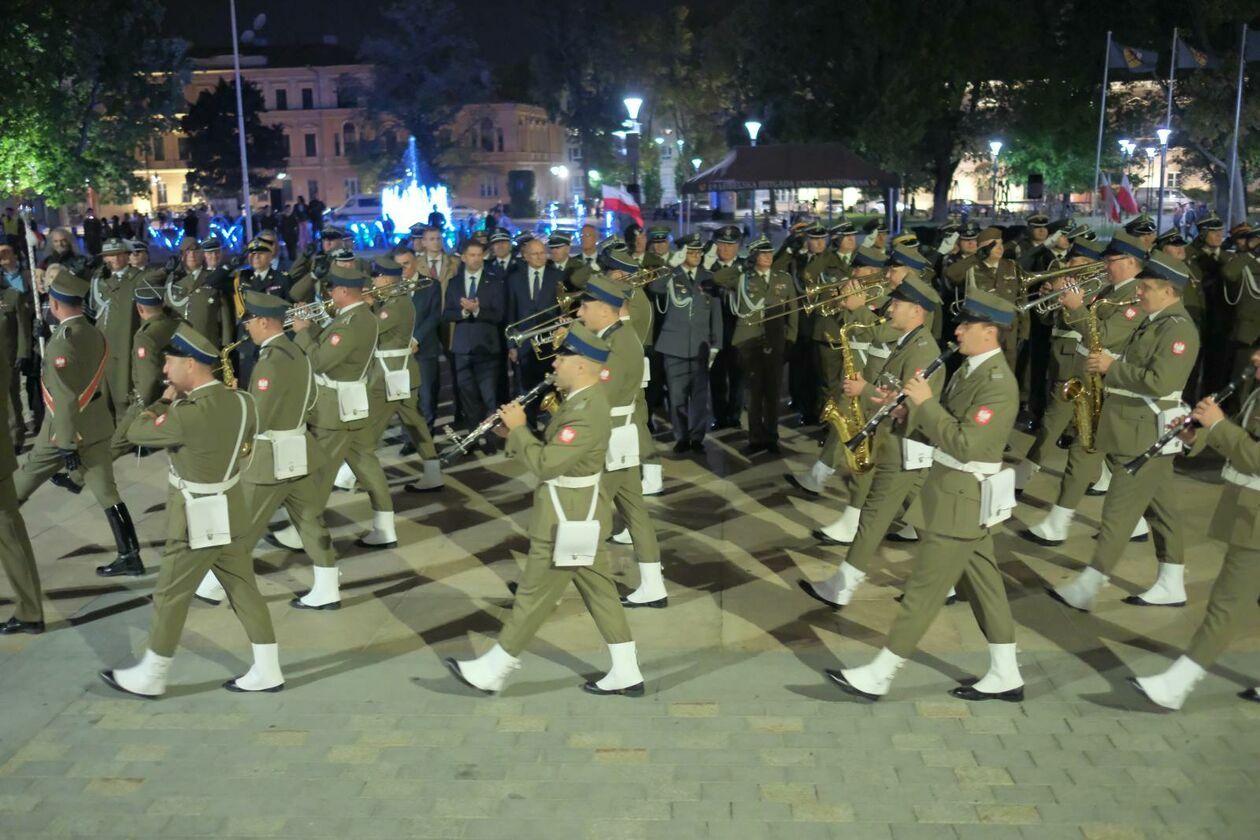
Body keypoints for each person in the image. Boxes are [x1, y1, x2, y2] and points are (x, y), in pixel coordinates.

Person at [825, 289, 1023, 703]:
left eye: (967, 325)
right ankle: (1006, 673)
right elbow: (943, 424)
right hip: (955, 493)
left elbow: (966, 443)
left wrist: (926, 404)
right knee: (986, 587)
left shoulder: (999, 384)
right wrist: (906, 411)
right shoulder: (971, 369)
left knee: (922, 594)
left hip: (961, 500)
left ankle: (881, 674)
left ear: (990, 332)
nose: (957, 331)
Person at [444, 324, 644, 697]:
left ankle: (494, 669)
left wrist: (520, 430)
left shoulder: (586, 410)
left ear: (582, 365)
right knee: (599, 592)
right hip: (578, 515)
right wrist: (512, 435)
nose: (555, 363)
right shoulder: (582, 400)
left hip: (564, 519)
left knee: (533, 596)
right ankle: (627, 671)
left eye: (562, 357)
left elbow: (548, 465)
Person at [100, 324, 282, 698]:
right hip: (231, 506)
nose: (165, 371)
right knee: (242, 587)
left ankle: (153, 674)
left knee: (169, 594)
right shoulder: (243, 401)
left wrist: (163, 402)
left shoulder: (185, 413)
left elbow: (132, 433)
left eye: (169, 362)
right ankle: (268, 669)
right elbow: (247, 444)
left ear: (191, 365)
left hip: (196, 516)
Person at [1046, 251, 1199, 611]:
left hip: (1144, 430)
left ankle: (1089, 585)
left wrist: (1112, 368)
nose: (1139, 293)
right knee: (1162, 511)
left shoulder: (1179, 330)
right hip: (1135, 426)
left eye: (1147, 287)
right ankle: (1171, 581)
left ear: (1170, 291)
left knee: (1117, 514)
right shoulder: (1156, 321)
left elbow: (1162, 382)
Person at [800, 273, 944, 607]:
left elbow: (909, 406)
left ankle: (842, 586)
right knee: (923, 517)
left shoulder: (922, 350)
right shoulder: (907, 341)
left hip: (905, 448)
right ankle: (949, 580)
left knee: (874, 518)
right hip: (900, 446)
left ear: (917, 311)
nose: (890, 308)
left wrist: (864, 390)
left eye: (898, 304)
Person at [1129, 354, 1260, 710]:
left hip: (1257, 526)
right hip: (1249, 514)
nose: (1254, 356)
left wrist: (1217, 424)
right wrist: (1196, 434)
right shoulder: (1256, 392)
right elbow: (1239, 439)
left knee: (1225, 606)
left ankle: (1177, 684)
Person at [194, 291, 338, 608]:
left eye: (249, 321)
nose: (246, 327)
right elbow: (312, 398)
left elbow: (259, 415)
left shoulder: (271, 363)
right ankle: (328, 587)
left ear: (263, 321)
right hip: (299, 451)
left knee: (242, 522)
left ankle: (215, 584)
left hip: (270, 457)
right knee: (311, 522)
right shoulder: (296, 352)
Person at [1019, 231, 1151, 544]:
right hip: (1088, 376)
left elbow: (1102, 336)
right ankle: (1135, 523)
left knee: (1084, 450)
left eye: (1111, 260)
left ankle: (1059, 522)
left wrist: (1076, 306)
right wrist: (1068, 297)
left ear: (1130, 262)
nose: (1105, 264)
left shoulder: (1135, 296)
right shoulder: (1112, 288)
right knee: (1109, 456)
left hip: (1107, 383)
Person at [14, 268, 144, 577]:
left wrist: (68, 445)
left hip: (63, 433)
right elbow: (81, 369)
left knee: (18, 487)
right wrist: (45, 338)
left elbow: (65, 397)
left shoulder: (61, 343)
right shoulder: (93, 331)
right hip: (97, 428)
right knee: (106, 492)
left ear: (55, 304)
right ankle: (131, 554)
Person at [271, 263, 380, 608]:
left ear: (344, 291)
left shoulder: (352, 322)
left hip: (333, 413)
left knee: (313, 481)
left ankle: (321, 570)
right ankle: (303, 537)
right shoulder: (352, 320)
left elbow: (319, 361)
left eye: (332, 290)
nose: (329, 295)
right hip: (342, 408)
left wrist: (303, 330)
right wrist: (315, 324)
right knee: (335, 474)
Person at [576, 276, 665, 607]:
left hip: (609, 437)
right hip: (622, 437)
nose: (580, 311)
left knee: (581, 514)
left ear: (604, 308)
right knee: (635, 511)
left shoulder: (619, 342)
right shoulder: (615, 336)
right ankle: (653, 585)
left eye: (586, 306)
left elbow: (601, 394)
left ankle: (547, 588)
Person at [711, 236, 798, 455]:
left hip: (776, 340)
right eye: (762, 253)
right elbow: (718, 277)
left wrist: (791, 339)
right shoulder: (743, 277)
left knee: (773, 393)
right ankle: (755, 437)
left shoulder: (783, 278)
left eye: (770, 253)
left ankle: (771, 437)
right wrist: (742, 264)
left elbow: (793, 311)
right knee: (754, 393)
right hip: (749, 342)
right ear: (753, 256)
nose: (768, 257)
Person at [650, 233, 721, 453]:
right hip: (674, 344)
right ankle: (681, 436)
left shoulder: (708, 277)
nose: (697, 256)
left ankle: (697, 437)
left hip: (700, 345)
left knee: (699, 396)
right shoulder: (671, 275)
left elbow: (715, 314)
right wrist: (671, 264)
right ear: (682, 254)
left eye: (699, 252)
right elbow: (655, 288)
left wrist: (716, 343)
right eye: (691, 252)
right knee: (677, 395)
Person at [443, 239, 506, 449]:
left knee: (489, 398)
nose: (477, 259)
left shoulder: (494, 281)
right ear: (463, 257)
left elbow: (499, 315)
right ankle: (471, 439)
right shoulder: (454, 283)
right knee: (468, 397)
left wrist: (477, 311)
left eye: (480, 255)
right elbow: (446, 314)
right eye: (472, 255)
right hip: (462, 349)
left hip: (487, 348)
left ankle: (490, 439)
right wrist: (463, 312)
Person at [107, 284, 180, 459]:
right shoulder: (178, 324)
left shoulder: (145, 336)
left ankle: (78, 476)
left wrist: (141, 406)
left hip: (151, 398)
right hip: (177, 391)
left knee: (118, 442)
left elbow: (149, 378)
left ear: (140, 308)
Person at [505, 237, 562, 428]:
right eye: (535, 254)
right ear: (525, 257)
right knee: (526, 391)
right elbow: (510, 314)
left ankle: (552, 429)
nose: (540, 257)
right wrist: (511, 346)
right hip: (525, 345)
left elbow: (563, 311)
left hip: (551, 345)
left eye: (542, 252)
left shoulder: (557, 277)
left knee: (552, 389)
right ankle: (529, 430)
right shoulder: (514, 280)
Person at [89, 238, 141, 422]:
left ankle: (126, 436)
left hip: (126, 343)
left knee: (125, 394)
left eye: (119, 254)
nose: (115, 259)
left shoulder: (137, 278)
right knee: (104, 393)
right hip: (103, 345)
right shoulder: (99, 280)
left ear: (127, 256)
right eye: (110, 255)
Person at [706, 225, 746, 430]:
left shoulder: (744, 269)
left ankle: (734, 415)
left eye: (730, 245)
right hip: (715, 332)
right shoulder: (709, 269)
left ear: (738, 246)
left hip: (738, 329)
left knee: (738, 376)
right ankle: (720, 416)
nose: (726, 249)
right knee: (717, 376)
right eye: (721, 244)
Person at [165, 236, 234, 348]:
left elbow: (224, 313)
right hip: (178, 344)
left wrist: (226, 344)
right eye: (187, 252)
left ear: (202, 255)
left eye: (196, 251)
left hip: (207, 343)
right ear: (181, 256)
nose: (192, 255)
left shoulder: (212, 278)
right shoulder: (173, 280)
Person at [0, 245, 32, 451]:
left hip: (7, 355)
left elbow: (22, 327)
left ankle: (15, 437)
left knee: (11, 398)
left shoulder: (12, 295)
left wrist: (22, 352)